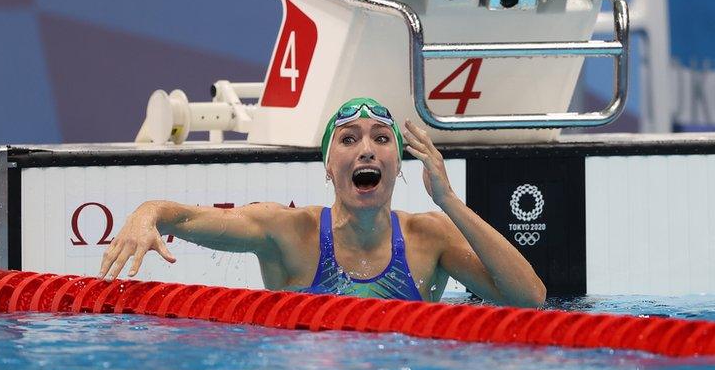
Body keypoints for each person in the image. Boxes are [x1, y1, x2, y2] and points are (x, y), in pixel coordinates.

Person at [99, 97, 546, 307]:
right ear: (329, 166)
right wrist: (147, 215)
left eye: (382, 139)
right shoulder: (290, 232)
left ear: (399, 162)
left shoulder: (430, 237)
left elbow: (530, 299)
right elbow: (186, 216)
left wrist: (449, 200)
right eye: (349, 139)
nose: (366, 150)